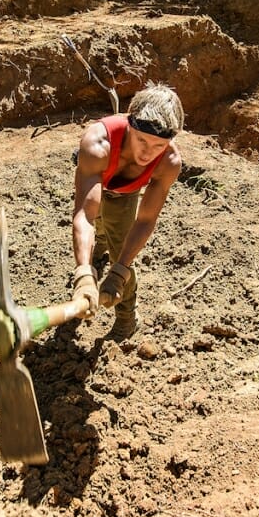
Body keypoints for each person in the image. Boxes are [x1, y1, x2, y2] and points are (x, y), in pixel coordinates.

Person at [70, 83, 184, 340]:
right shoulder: (97, 143)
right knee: (96, 222)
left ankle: (126, 316)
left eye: (158, 145)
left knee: (120, 245)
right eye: (142, 140)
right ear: (129, 124)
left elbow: (145, 219)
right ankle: (95, 255)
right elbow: (84, 215)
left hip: (126, 194)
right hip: (98, 178)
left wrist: (120, 270)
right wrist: (83, 273)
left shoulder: (169, 162)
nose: (147, 152)